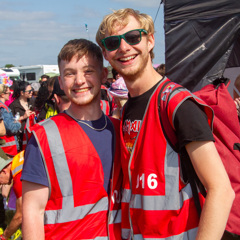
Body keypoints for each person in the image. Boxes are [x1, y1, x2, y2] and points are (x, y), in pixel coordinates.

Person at [96, 8, 235, 240]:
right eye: (113, 43)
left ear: (150, 40)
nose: (123, 48)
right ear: (106, 54)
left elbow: (221, 190)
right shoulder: (128, 108)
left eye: (132, 37)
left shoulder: (178, 104)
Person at [21, 39, 122, 240]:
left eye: (88, 71)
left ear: (103, 75)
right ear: (60, 82)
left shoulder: (120, 131)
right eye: (70, 73)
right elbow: (32, 211)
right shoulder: (44, 136)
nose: (79, 80)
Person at [0, 151, 24, 240]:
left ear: (3, 171)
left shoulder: (18, 176)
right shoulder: (18, 159)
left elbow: (20, 216)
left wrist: (4, 236)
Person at [9, 81, 35, 151]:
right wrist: (23, 117)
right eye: (29, 91)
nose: (31, 92)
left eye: (32, 89)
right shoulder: (13, 106)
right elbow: (11, 123)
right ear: (22, 93)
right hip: (20, 138)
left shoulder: (33, 102)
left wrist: (35, 115)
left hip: (32, 135)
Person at [0, 84, 21, 156]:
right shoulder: (2, 108)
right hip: (8, 147)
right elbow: (10, 128)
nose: (10, 95)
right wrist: (18, 123)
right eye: (9, 93)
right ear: (2, 95)